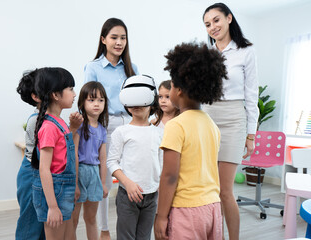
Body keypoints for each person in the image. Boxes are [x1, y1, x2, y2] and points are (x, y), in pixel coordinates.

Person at [154, 42, 226, 240]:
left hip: (186, 210)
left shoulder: (176, 126)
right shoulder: (212, 125)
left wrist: (161, 217)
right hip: (212, 207)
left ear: (179, 91)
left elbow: (169, 176)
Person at [202, 3, 259, 239]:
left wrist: (251, 135)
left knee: (225, 191)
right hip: (207, 116)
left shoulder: (246, 51)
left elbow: (251, 95)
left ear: (229, 18)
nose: (212, 27)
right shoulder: (206, 55)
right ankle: (216, 235)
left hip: (234, 118)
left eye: (216, 20)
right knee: (209, 190)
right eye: (207, 24)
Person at [84, 17, 139, 240]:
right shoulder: (93, 67)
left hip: (130, 123)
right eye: (114, 37)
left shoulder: (132, 68)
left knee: (134, 176)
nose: (119, 42)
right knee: (105, 183)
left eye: (123, 38)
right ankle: (104, 229)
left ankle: (131, 227)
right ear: (103, 39)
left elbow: (136, 99)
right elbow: (88, 100)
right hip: (105, 126)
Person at [107, 75, 163, 240]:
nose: (137, 105)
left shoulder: (160, 132)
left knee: (144, 237)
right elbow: (112, 162)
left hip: (152, 196)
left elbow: (162, 163)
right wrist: (128, 183)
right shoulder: (122, 132)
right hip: (127, 196)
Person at [30, 67, 81, 240]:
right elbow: (45, 169)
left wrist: (73, 186)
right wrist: (52, 206)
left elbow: (65, 155)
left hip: (64, 189)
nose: (74, 94)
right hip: (54, 193)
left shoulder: (60, 122)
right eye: (71, 89)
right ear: (55, 95)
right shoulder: (49, 127)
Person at [70, 81, 109, 240]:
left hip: (94, 175)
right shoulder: (79, 125)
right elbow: (74, 154)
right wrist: (75, 183)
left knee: (91, 218)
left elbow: (103, 158)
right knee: (73, 219)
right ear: (82, 103)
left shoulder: (102, 129)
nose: (96, 104)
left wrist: (103, 183)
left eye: (100, 100)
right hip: (79, 172)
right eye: (91, 100)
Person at [15, 70, 45, 240]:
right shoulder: (37, 120)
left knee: (41, 227)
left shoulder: (48, 118)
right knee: (30, 227)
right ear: (36, 96)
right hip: (33, 174)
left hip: (38, 173)